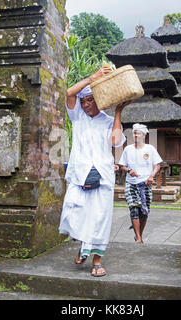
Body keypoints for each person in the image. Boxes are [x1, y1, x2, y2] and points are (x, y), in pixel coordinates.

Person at [58, 66, 131, 277]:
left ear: (99, 99)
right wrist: (92, 78)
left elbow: (116, 142)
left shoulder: (108, 121)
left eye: (90, 100)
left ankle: (97, 260)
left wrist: (118, 112)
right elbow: (69, 93)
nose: (86, 104)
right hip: (79, 174)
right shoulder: (77, 117)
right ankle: (84, 246)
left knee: (100, 217)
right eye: (83, 101)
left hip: (102, 175)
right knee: (75, 213)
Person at [118, 123, 162, 244]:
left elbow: (157, 165)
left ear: (144, 135)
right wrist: (129, 171)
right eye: (134, 133)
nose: (135, 135)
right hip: (131, 183)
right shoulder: (128, 149)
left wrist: (152, 176)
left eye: (138, 133)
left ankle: (139, 234)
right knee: (134, 209)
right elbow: (122, 165)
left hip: (145, 184)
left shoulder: (150, 149)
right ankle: (138, 237)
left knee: (144, 212)